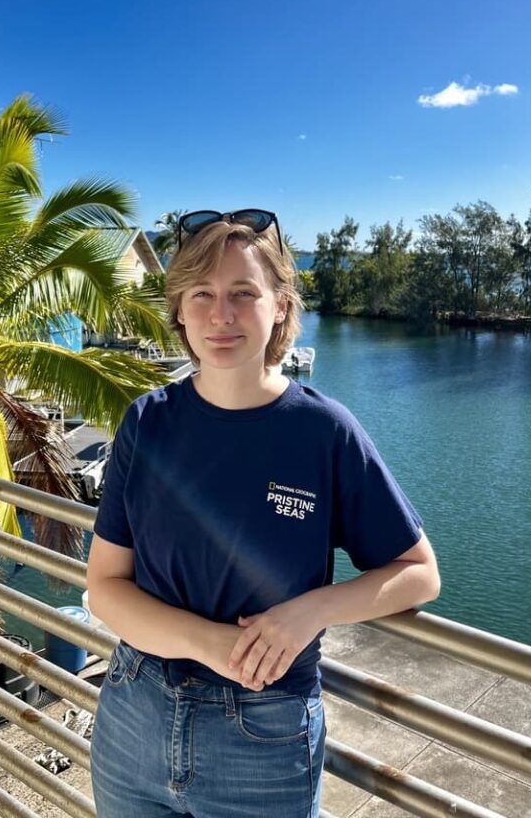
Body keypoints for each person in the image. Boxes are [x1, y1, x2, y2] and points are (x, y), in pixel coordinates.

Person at [87, 208, 440, 818]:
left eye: (243, 293)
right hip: (132, 716)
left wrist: (310, 613)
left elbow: (419, 573)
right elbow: (104, 587)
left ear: (279, 304)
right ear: (179, 309)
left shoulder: (323, 431)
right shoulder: (147, 423)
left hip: (263, 733)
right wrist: (214, 644)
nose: (220, 315)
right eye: (202, 294)